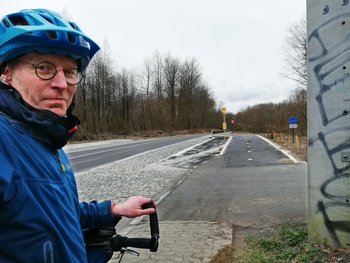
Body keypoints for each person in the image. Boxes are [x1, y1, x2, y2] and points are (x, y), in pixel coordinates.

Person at [0, 8, 156, 262]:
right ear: (6, 73)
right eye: (44, 68)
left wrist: (114, 209)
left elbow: (61, 214)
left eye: (70, 72)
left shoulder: (48, 141)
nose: (62, 84)